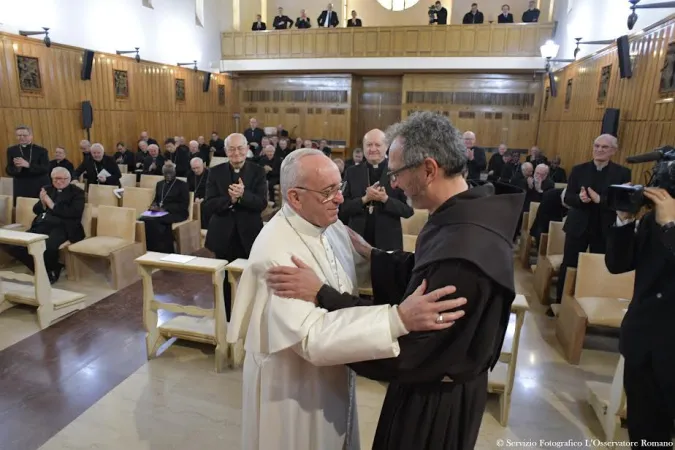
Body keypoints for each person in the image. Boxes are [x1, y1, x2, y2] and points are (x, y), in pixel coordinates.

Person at [266, 111, 525, 450]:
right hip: (432, 383)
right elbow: (424, 271)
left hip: (435, 400)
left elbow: (413, 349)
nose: (394, 184)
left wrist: (323, 295)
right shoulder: (461, 213)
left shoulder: (466, 249)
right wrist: (376, 256)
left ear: (429, 169)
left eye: (397, 173)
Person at [226, 147, 468, 450]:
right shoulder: (278, 253)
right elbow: (311, 339)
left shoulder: (332, 225)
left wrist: (377, 256)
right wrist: (397, 319)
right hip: (294, 387)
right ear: (295, 198)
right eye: (328, 192)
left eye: (338, 187)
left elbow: (353, 270)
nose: (340, 198)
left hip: (334, 374)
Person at [606, 187, 675, 448]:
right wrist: (624, 219)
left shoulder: (666, 220)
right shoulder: (653, 218)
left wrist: (670, 226)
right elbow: (617, 264)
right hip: (644, 343)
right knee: (646, 433)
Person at [552, 134, 631, 316]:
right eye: (597, 146)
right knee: (569, 264)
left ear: (613, 151)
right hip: (578, 225)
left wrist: (599, 200)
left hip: (604, 228)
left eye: (604, 147)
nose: (599, 150)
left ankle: (589, 307)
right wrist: (579, 199)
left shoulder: (622, 173)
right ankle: (560, 304)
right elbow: (568, 197)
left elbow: (621, 203)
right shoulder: (579, 170)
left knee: (598, 268)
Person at [203, 133, 267, 320]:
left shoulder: (258, 172)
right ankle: (227, 318)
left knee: (250, 279)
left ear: (247, 149)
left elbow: (261, 203)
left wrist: (243, 195)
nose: (236, 152)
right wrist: (230, 199)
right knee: (224, 281)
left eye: (240, 148)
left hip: (249, 235)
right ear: (226, 151)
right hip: (223, 235)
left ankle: (250, 317)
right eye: (232, 149)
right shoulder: (215, 172)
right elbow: (209, 205)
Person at [3, 167, 84, 284]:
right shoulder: (47, 189)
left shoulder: (77, 192)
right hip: (42, 224)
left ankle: (50, 269)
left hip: (64, 227)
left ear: (68, 179)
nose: (58, 181)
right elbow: (36, 210)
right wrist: (42, 202)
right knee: (16, 245)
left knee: (48, 246)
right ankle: (44, 268)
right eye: (55, 179)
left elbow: (74, 213)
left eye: (62, 179)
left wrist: (50, 204)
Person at [341, 129, 413, 251]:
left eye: (377, 145)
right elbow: (343, 209)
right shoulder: (352, 172)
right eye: (369, 145)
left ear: (386, 147)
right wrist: (365, 199)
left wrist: (385, 199)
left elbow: (408, 211)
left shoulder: (399, 172)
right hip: (358, 241)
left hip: (388, 242)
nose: (373, 149)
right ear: (363, 147)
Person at [140, 163, 189, 254]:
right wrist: (153, 206)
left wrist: (165, 209)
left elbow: (184, 205)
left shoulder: (182, 185)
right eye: (166, 174)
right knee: (142, 218)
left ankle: (163, 249)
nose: (168, 176)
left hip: (177, 213)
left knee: (157, 221)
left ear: (175, 173)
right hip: (159, 211)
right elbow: (156, 199)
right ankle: (149, 248)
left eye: (170, 174)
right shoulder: (160, 184)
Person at [6, 125, 50, 203]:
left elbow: (46, 168)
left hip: (37, 184)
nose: (21, 137)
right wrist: (17, 168)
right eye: (19, 135)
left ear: (31, 136)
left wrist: (28, 165)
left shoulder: (41, 150)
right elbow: (8, 168)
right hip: (20, 185)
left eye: (24, 135)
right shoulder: (11, 150)